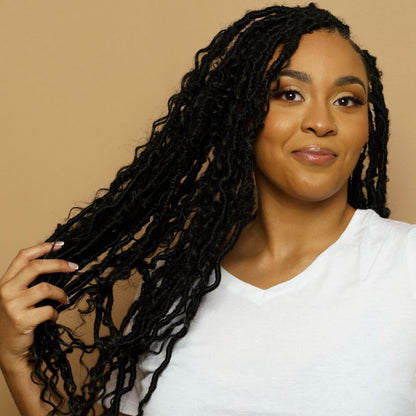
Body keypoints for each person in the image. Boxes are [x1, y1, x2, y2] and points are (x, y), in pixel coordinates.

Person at [1, 3, 415, 415]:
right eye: (289, 94)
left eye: (347, 100)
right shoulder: (170, 289)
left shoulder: (406, 266)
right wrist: (15, 362)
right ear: (241, 115)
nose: (321, 122)